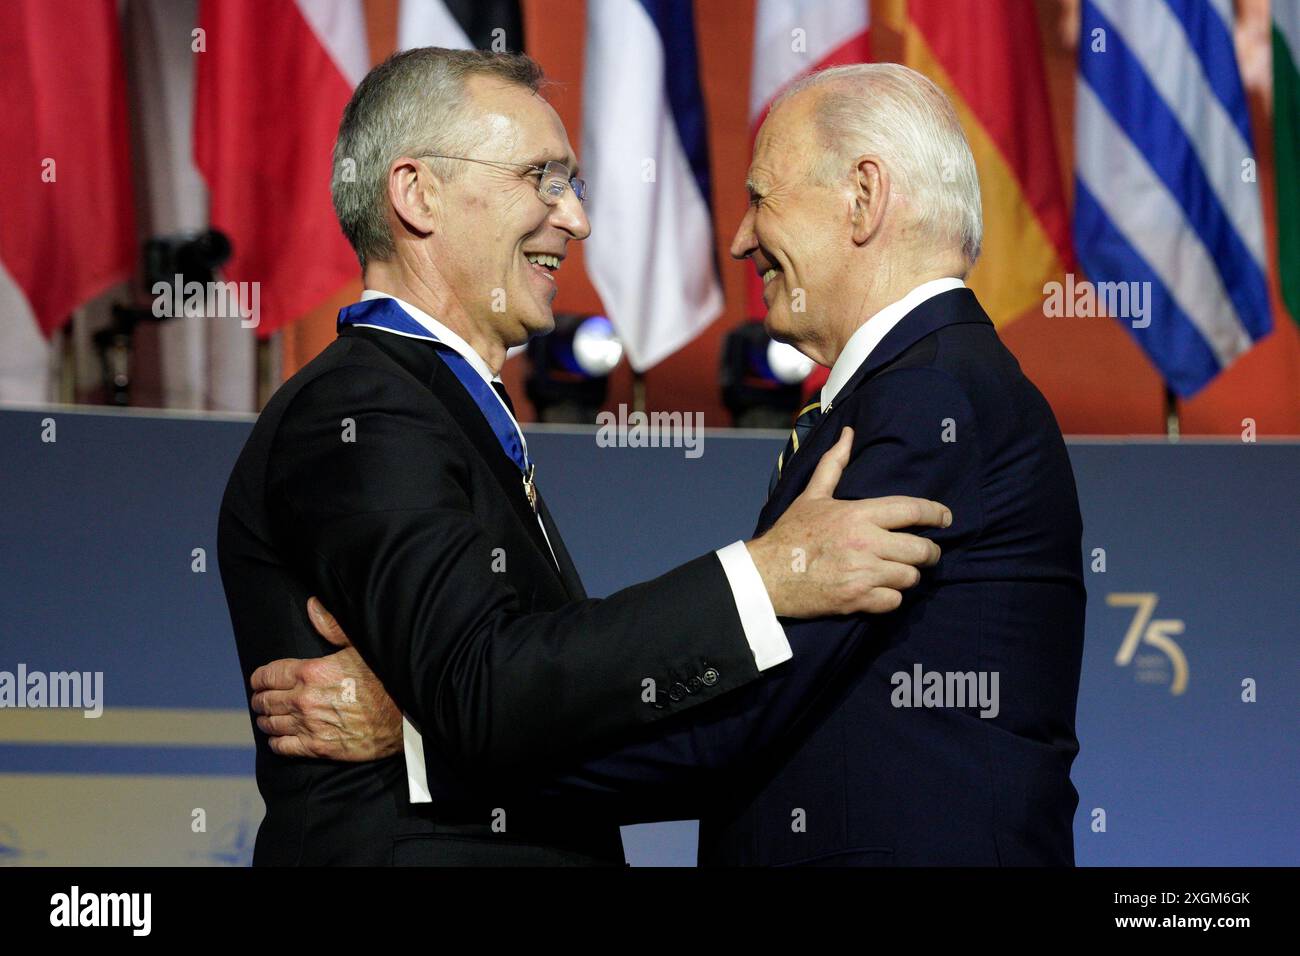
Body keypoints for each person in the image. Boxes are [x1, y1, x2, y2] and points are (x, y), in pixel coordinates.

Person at [260, 62, 1087, 867]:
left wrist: (426, 739)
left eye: (760, 198)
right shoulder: (912, 392)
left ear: (863, 197)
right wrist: (461, 716)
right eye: (540, 178)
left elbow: (737, 714)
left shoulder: (929, 399)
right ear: (416, 194)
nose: (740, 238)